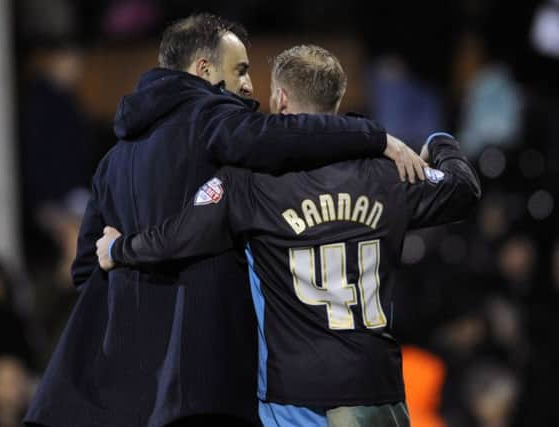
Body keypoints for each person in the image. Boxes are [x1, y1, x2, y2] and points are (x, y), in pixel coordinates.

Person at [24, 14, 425, 427]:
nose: (250, 86)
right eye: (240, 70)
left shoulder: (113, 160)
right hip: (209, 382)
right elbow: (288, 138)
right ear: (204, 70)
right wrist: (374, 138)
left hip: (133, 396)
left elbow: (87, 268)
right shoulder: (211, 118)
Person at [96, 45, 481, 427]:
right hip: (379, 392)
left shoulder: (251, 180)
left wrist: (119, 247)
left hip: (299, 399)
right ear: (338, 98)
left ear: (280, 98)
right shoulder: (386, 173)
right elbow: (464, 189)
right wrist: (439, 142)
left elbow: (177, 237)